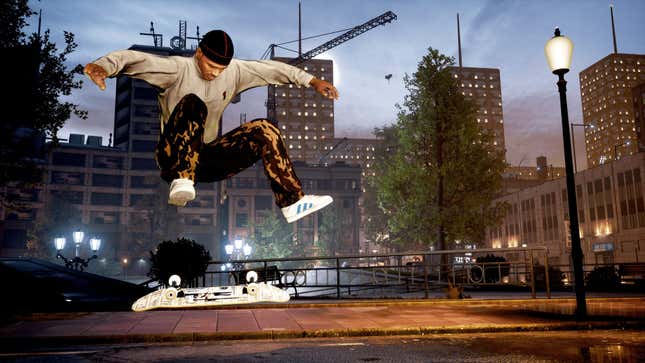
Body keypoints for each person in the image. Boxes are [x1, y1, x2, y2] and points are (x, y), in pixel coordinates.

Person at [84, 29, 338, 223]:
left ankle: (292, 201)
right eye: (210, 66)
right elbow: (136, 60)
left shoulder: (235, 71)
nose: (215, 74)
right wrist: (104, 67)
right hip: (173, 156)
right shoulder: (176, 68)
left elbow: (272, 70)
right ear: (199, 54)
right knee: (194, 104)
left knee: (265, 129)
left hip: (206, 160)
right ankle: (182, 179)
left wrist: (313, 81)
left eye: (221, 69)